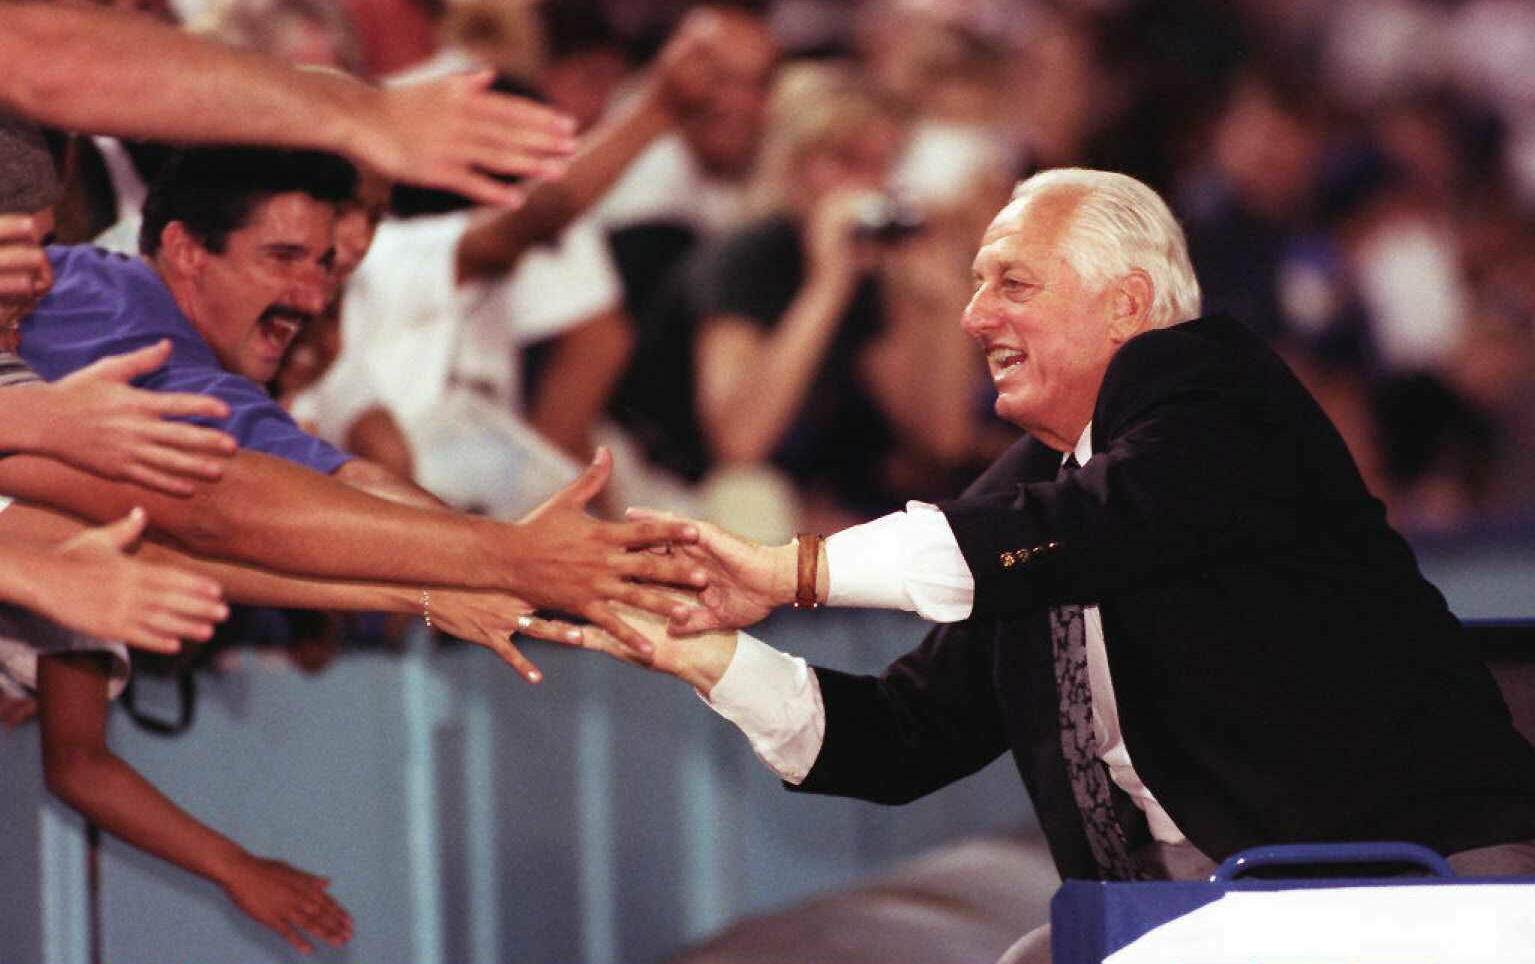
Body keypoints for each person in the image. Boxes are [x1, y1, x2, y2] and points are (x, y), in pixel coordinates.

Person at [598, 168, 1535, 963]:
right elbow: (893, 738)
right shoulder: (1039, 490)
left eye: (1012, 282)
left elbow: (1072, 530)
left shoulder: (1218, 392)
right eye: (975, 285)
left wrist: (789, 571)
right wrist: (707, 654)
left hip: (1402, 885)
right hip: (1192, 916)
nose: (972, 317)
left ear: (1125, 305)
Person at [9, 145, 703, 655]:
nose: (311, 299)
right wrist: (511, 558)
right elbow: (229, 510)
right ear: (187, 250)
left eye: (324, 267)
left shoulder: (153, 337)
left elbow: (207, 534)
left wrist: (445, 582)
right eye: (282, 258)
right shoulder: (103, 310)